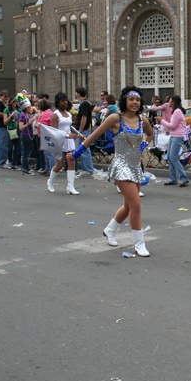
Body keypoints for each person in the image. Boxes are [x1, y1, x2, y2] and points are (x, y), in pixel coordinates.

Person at [73, 86, 154, 256]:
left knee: (128, 206)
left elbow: (150, 135)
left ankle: (109, 230)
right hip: (121, 166)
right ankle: (139, 243)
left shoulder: (143, 120)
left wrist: (142, 148)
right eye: (131, 99)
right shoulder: (115, 118)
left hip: (135, 166)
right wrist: (76, 153)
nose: (134, 103)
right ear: (124, 100)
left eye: (138, 100)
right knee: (136, 205)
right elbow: (93, 135)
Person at [47, 92, 82, 195]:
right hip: (59, 141)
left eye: (65, 100)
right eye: (62, 101)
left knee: (72, 162)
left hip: (69, 141)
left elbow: (69, 127)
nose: (65, 102)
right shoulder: (55, 115)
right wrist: (67, 135)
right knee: (59, 165)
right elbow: (54, 131)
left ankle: (70, 186)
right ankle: (50, 182)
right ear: (58, 102)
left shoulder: (69, 114)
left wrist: (78, 134)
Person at [157, 95, 190, 187]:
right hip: (173, 136)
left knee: (173, 158)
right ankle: (173, 179)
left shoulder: (177, 112)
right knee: (170, 158)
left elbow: (172, 126)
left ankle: (184, 178)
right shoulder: (175, 111)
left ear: (173, 102)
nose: (168, 103)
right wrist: (162, 120)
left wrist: (162, 121)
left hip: (177, 136)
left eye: (170, 101)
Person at [74, 87, 95, 179]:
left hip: (84, 130)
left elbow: (84, 117)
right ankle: (86, 168)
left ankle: (88, 169)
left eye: (76, 93)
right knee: (83, 149)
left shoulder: (84, 104)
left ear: (79, 94)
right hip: (86, 129)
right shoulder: (87, 103)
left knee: (84, 149)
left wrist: (80, 130)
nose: (75, 94)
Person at [17, 96, 38, 176]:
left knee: (27, 153)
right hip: (25, 135)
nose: (31, 108)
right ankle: (25, 169)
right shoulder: (22, 115)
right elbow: (21, 127)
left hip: (29, 135)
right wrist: (29, 123)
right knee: (25, 153)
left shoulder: (29, 114)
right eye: (29, 107)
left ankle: (26, 168)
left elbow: (37, 114)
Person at [0, 90, 12, 169]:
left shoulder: (4, 104)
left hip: (3, 127)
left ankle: (3, 160)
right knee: (2, 144)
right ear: (0, 96)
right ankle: (1, 161)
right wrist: (4, 115)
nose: (6, 98)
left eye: (7, 96)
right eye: (5, 96)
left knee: (4, 144)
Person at [36, 99, 54, 175]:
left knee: (48, 154)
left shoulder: (44, 114)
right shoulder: (50, 112)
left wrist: (36, 125)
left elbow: (41, 126)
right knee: (47, 153)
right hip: (49, 135)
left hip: (46, 136)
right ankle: (47, 169)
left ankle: (50, 170)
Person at [6, 98, 21, 170]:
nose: (15, 103)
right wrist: (11, 115)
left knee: (17, 147)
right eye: (13, 102)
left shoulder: (19, 110)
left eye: (16, 102)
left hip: (18, 129)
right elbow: (5, 122)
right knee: (10, 147)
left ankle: (14, 163)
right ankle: (9, 159)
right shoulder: (6, 110)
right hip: (11, 129)